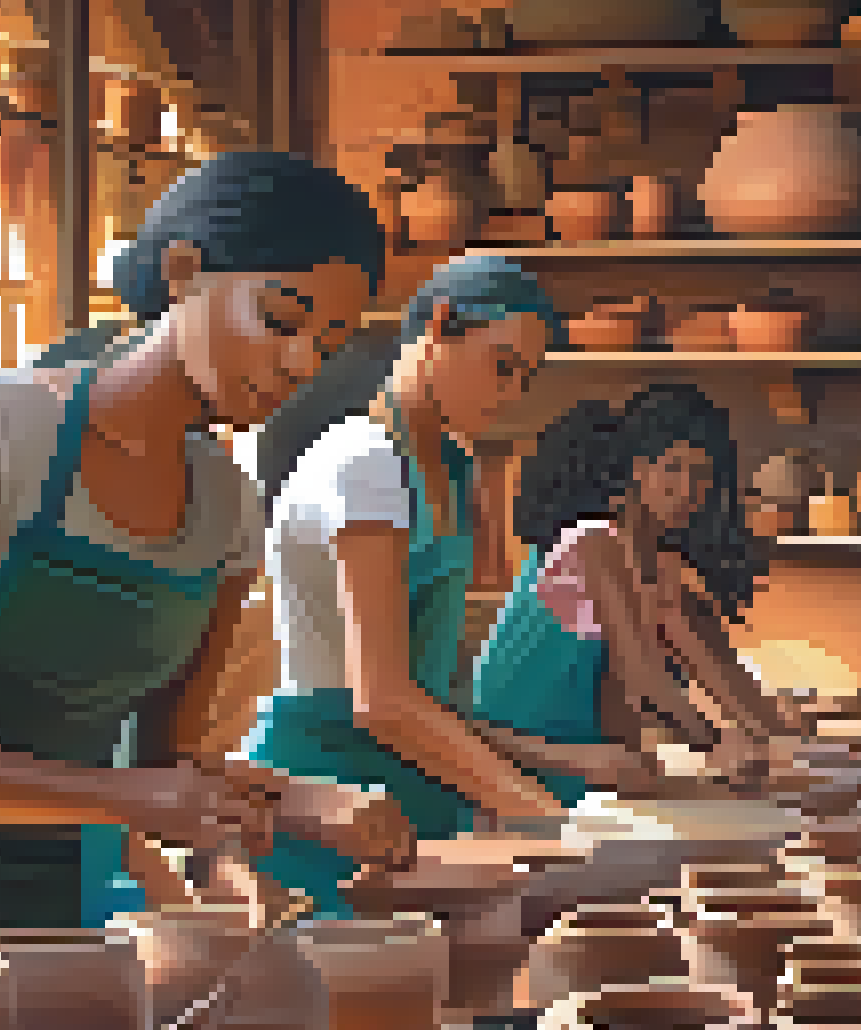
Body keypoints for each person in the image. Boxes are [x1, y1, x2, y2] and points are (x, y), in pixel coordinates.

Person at [0, 150, 416, 968]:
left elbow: (169, 763)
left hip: (46, 893)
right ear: (183, 272)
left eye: (326, 347)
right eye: (282, 319)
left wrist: (252, 842)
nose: (298, 365)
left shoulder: (227, 509)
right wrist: (122, 798)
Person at [222, 256, 664, 922]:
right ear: (438, 327)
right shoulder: (364, 464)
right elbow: (385, 703)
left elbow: (430, 699)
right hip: (327, 799)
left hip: (414, 793)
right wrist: (541, 816)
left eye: (525, 377)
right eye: (501, 364)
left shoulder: (454, 468)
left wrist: (570, 762)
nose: (511, 393)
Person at [475, 382, 798, 806]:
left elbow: (720, 673)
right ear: (636, 470)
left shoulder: (660, 567)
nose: (686, 490)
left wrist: (781, 739)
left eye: (701, 475)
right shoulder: (595, 541)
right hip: (521, 753)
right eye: (673, 468)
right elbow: (645, 674)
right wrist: (716, 743)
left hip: (596, 755)